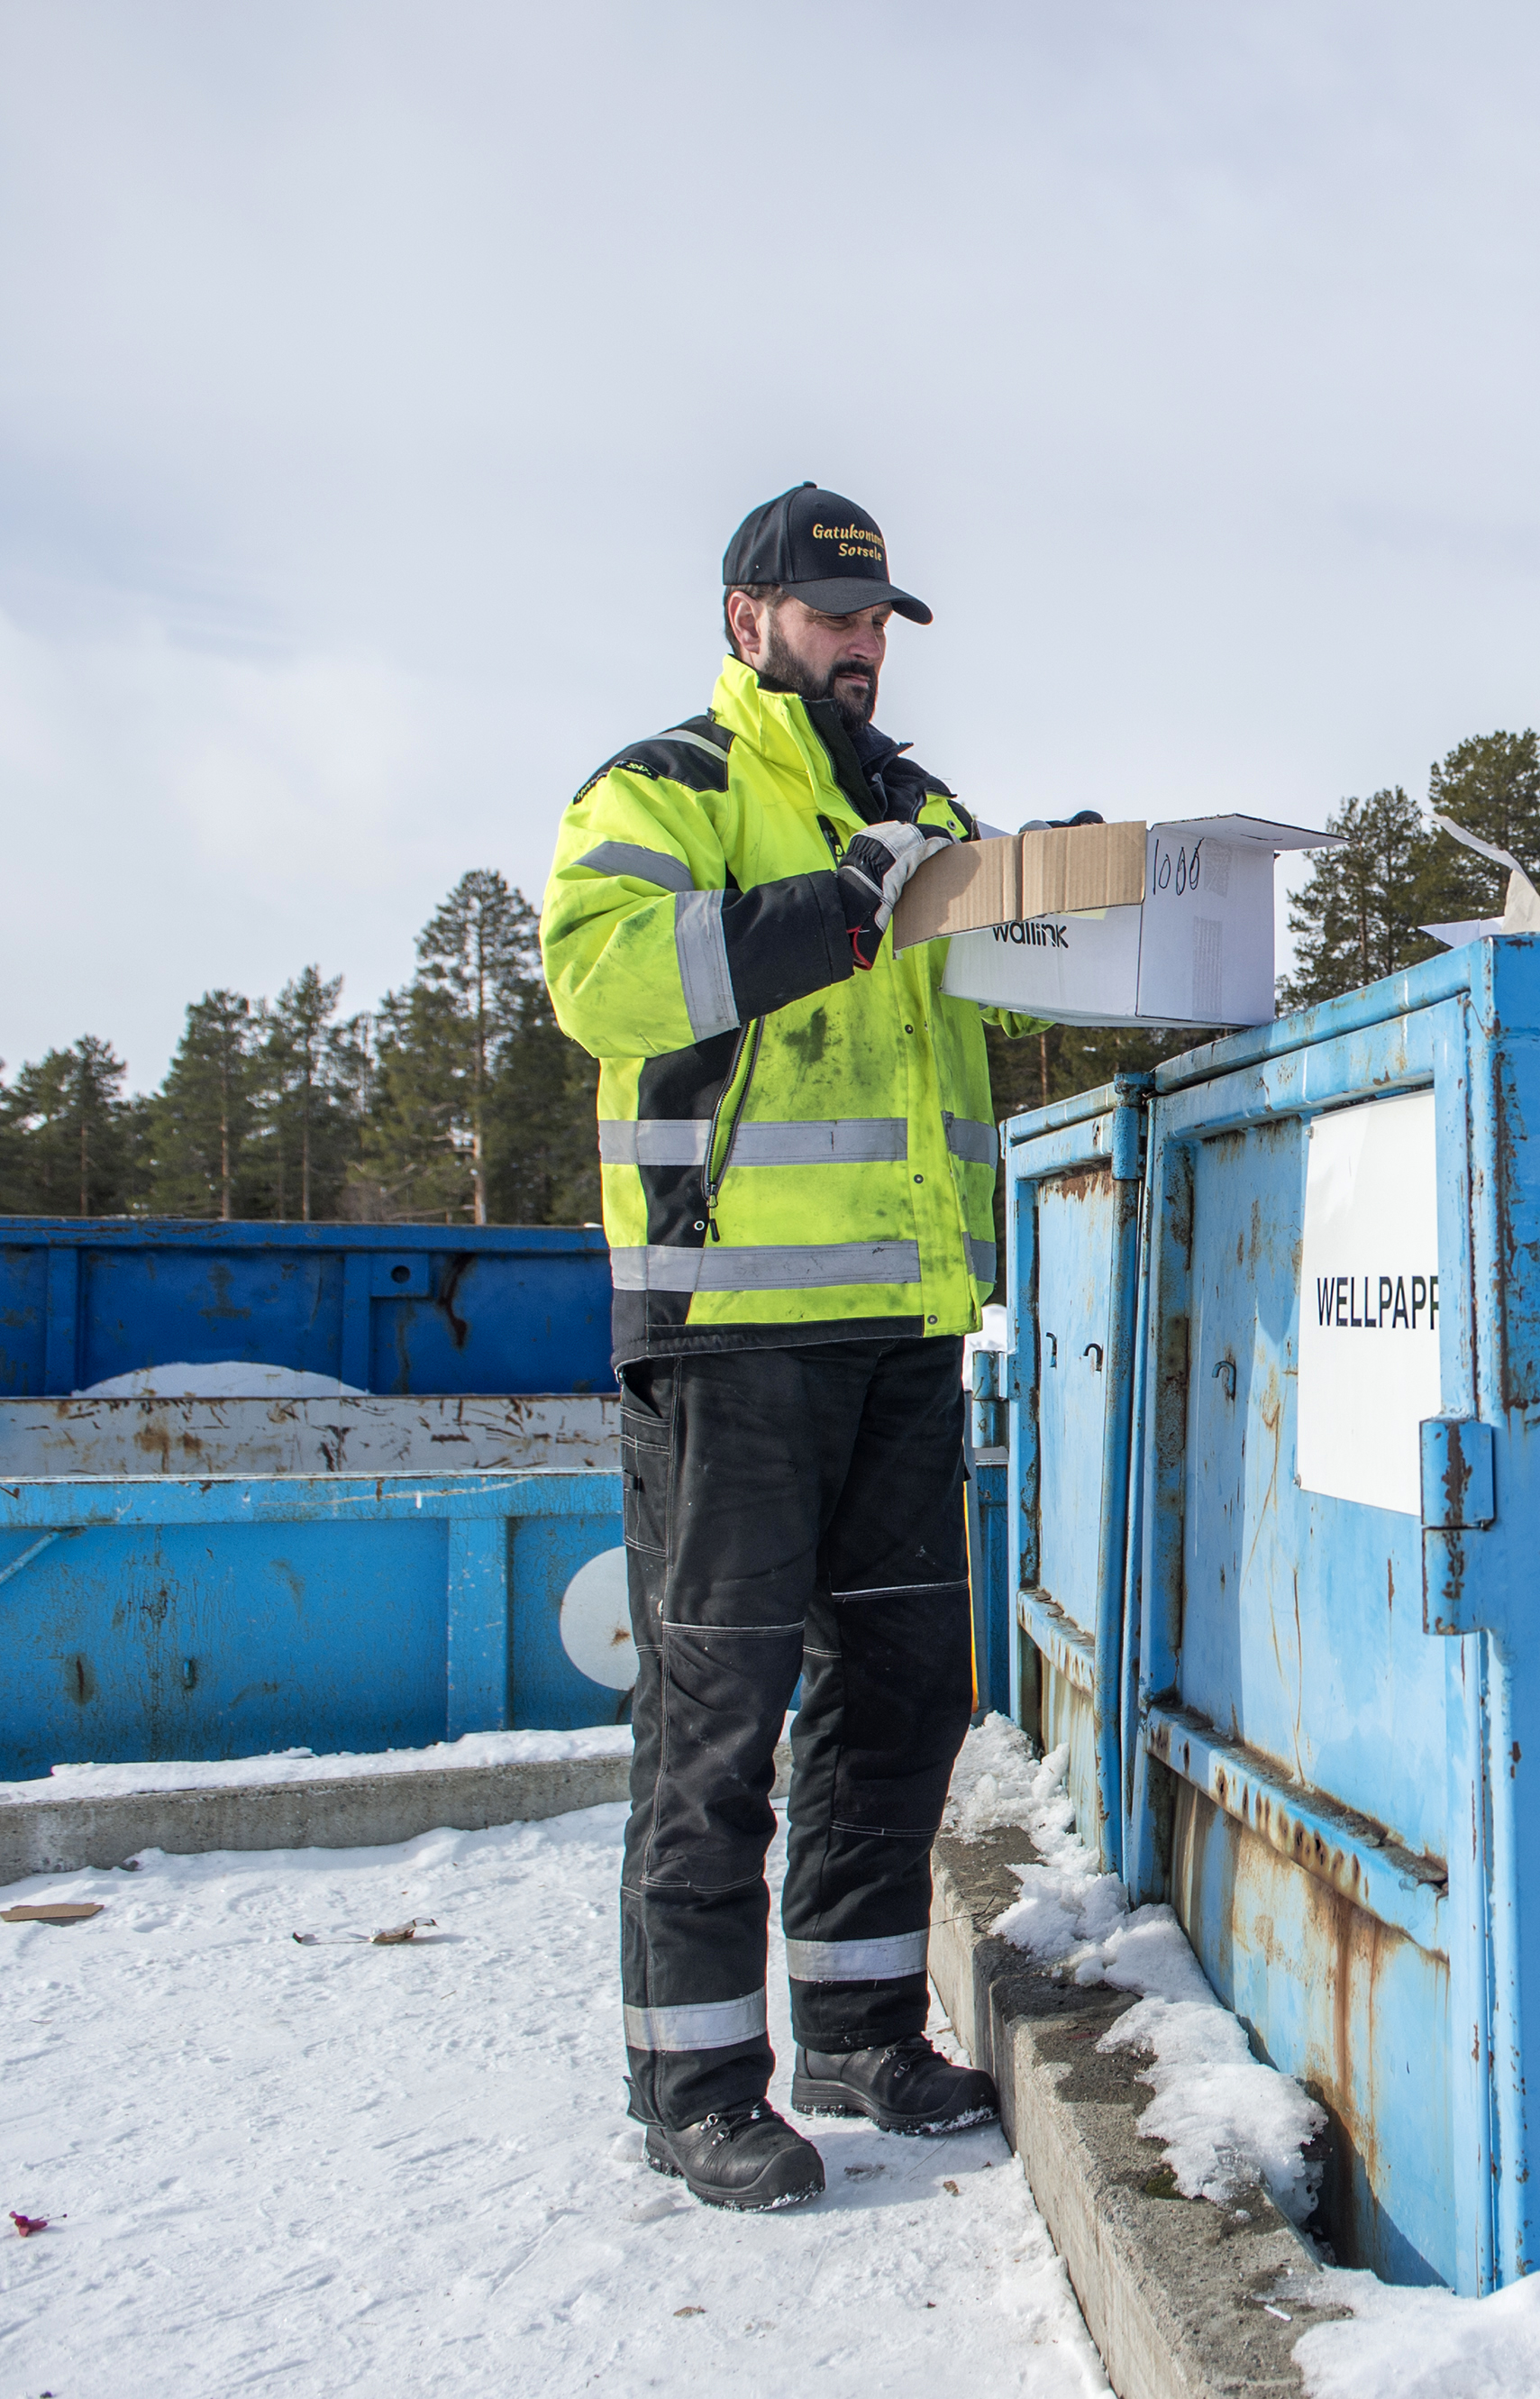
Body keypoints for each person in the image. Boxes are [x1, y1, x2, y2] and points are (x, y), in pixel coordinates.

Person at [540, 483, 1028, 2211]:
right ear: (748, 617)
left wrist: (1079, 896)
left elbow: (993, 999)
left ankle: (861, 2030)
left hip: (903, 1327)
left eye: (882, 619)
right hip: (730, 1338)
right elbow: (602, 982)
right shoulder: (663, 788)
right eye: (834, 616)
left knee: (900, 1703)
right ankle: (690, 2081)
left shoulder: (927, 808)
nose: (863, 647)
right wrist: (833, 904)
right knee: (715, 1720)